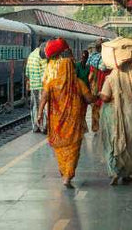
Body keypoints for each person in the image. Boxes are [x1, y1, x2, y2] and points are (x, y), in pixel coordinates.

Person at [37, 38, 95, 187]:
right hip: (74, 121)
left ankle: (63, 171)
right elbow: (89, 99)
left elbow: (44, 96)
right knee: (73, 148)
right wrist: (98, 95)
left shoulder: (52, 82)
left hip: (57, 121)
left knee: (60, 148)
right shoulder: (78, 83)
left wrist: (39, 113)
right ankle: (68, 175)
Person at [99, 59, 132, 185]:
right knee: (130, 143)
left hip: (114, 115)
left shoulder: (111, 77)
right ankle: (126, 174)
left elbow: (106, 97)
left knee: (114, 141)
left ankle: (115, 172)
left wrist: (98, 94)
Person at [26, 43, 48, 133]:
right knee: (42, 106)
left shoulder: (31, 55)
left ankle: (35, 126)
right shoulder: (41, 56)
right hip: (41, 86)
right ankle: (43, 127)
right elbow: (44, 71)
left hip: (33, 85)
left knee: (34, 105)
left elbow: (27, 72)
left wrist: (28, 83)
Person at [86, 40, 105, 133]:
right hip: (105, 84)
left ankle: (95, 126)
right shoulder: (107, 57)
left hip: (95, 85)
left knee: (95, 107)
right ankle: (105, 126)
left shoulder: (92, 57)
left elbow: (89, 73)